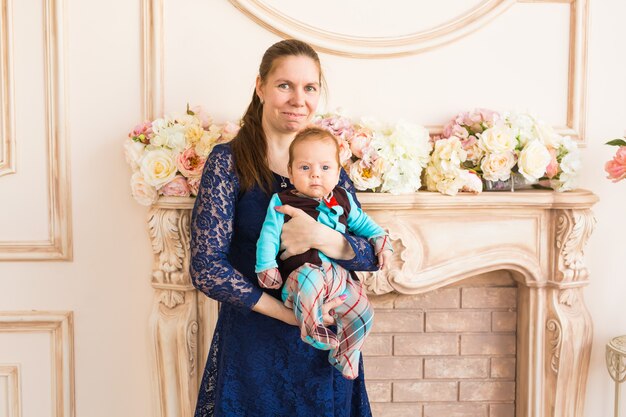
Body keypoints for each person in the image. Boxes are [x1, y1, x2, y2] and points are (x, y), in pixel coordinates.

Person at [190, 39, 380, 417]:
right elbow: (206, 268)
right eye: (284, 86)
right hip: (254, 346)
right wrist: (291, 316)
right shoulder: (228, 163)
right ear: (260, 87)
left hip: (326, 346)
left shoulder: (328, 163)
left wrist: (325, 238)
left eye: (309, 87)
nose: (298, 99)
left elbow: (370, 252)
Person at [255, 127, 392, 380]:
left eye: (325, 168)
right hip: (302, 274)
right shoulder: (282, 201)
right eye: (305, 168)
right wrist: (266, 268)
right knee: (311, 281)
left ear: (339, 173)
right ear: (290, 172)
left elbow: (365, 225)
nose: (315, 174)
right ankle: (312, 330)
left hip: (338, 277)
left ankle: (347, 353)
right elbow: (268, 237)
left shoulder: (343, 199)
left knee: (363, 311)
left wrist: (382, 241)